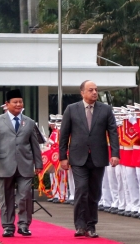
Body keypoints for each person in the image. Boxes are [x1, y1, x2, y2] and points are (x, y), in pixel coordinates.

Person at [59, 80, 120, 238]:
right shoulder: (71, 109)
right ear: (82, 93)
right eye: (90, 90)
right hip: (78, 158)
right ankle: (79, 225)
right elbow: (64, 135)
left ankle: (91, 226)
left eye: (96, 90)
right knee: (81, 190)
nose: (94, 92)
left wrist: (115, 154)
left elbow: (113, 132)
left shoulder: (105, 110)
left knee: (94, 193)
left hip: (98, 157)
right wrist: (62, 157)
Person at [0, 89, 43, 237]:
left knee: (25, 196)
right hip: (4, 164)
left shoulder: (29, 122)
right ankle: (7, 226)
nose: (18, 104)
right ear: (7, 104)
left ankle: (24, 225)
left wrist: (38, 164)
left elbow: (35, 145)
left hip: (25, 165)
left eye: (20, 102)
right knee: (6, 198)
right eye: (15, 102)